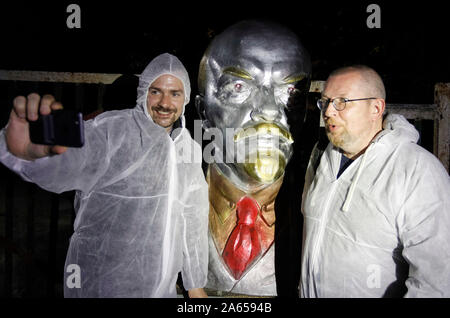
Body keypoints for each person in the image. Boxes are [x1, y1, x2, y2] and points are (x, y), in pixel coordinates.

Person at [0, 53, 209, 298]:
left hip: (162, 291)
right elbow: (71, 159)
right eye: (156, 91)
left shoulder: (189, 149)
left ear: (185, 99)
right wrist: (31, 153)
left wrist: (195, 287)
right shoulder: (112, 131)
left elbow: (192, 218)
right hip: (102, 287)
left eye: (175, 93)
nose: (165, 102)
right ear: (143, 92)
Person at [300, 65, 450, 297]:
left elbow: (438, 281)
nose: (329, 111)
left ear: (376, 108)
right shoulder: (320, 157)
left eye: (342, 101)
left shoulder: (417, 171)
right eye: (326, 101)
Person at [196, 20, 311, 296]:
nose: (270, 111)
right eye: (239, 87)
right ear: (203, 111)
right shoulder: (173, 193)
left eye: (290, 91)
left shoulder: (317, 200)